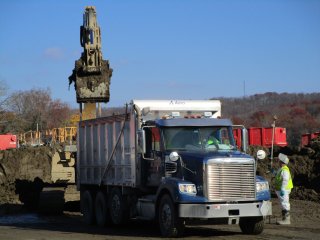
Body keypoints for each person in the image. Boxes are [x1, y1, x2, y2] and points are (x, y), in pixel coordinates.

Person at [275, 153, 294, 225]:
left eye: (279, 161)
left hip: (284, 189)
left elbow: (285, 180)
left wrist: (282, 189)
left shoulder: (285, 170)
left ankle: (287, 220)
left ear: (282, 162)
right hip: (281, 189)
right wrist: (273, 172)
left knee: (285, 203)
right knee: (283, 203)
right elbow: (278, 177)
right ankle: (284, 219)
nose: (278, 162)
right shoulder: (281, 169)